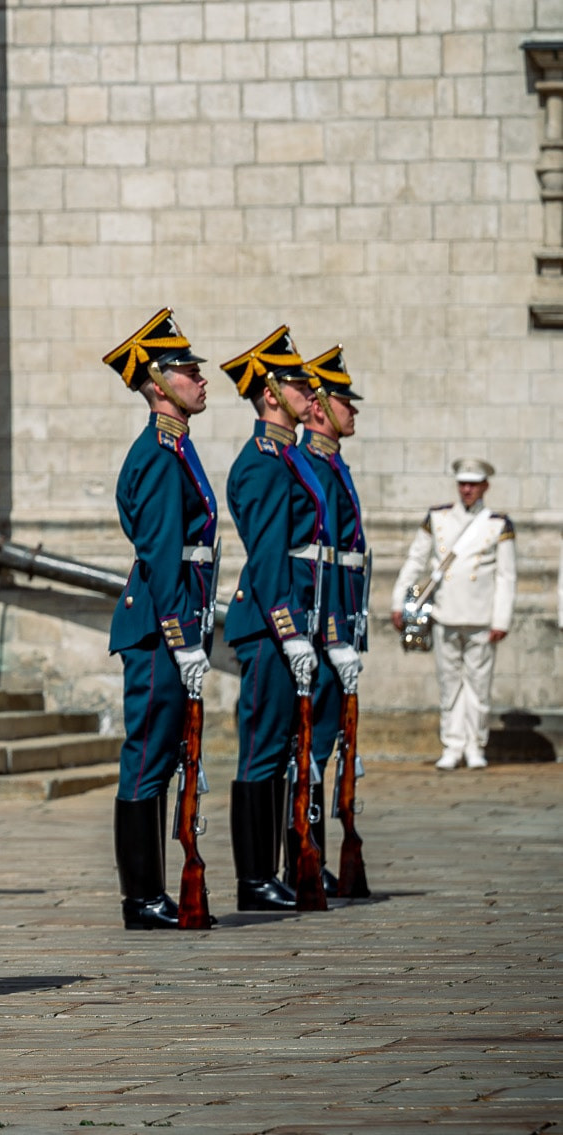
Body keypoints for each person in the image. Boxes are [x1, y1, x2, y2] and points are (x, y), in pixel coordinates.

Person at [100, 310, 219, 929]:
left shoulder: (177, 448)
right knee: (147, 757)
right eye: (187, 371)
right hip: (156, 630)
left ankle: (152, 892)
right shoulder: (156, 455)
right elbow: (161, 553)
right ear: (156, 381)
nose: (201, 380)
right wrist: (181, 637)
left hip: (172, 626)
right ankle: (141, 896)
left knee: (167, 754)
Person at [215, 328, 332, 912]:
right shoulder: (262, 463)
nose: (311, 392)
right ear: (269, 394)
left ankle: (270, 872)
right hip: (267, 627)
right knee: (261, 751)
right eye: (297, 384)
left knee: (283, 749)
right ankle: (254, 877)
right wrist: (289, 631)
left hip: (290, 621)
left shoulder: (288, 455)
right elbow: (265, 558)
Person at [396, 459, 518, 770]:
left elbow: (506, 576)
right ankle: (452, 745)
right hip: (445, 612)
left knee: (478, 685)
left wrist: (501, 619)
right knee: (449, 683)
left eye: (473, 484)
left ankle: (475, 746)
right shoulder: (438, 518)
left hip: (480, 616)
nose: (467, 489)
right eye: (463, 483)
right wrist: (399, 601)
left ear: (485, 486)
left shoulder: (497, 524)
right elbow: (415, 560)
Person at [297, 345, 366, 876]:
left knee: (327, 744)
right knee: (313, 747)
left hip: (339, 623)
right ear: (319, 407)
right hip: (321, 625)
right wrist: (333, 632)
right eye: (345, 401)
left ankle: (315, 854)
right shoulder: (312, 466)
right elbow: (319, 564)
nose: (353, 411)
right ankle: (306, 855)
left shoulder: (330, 464)